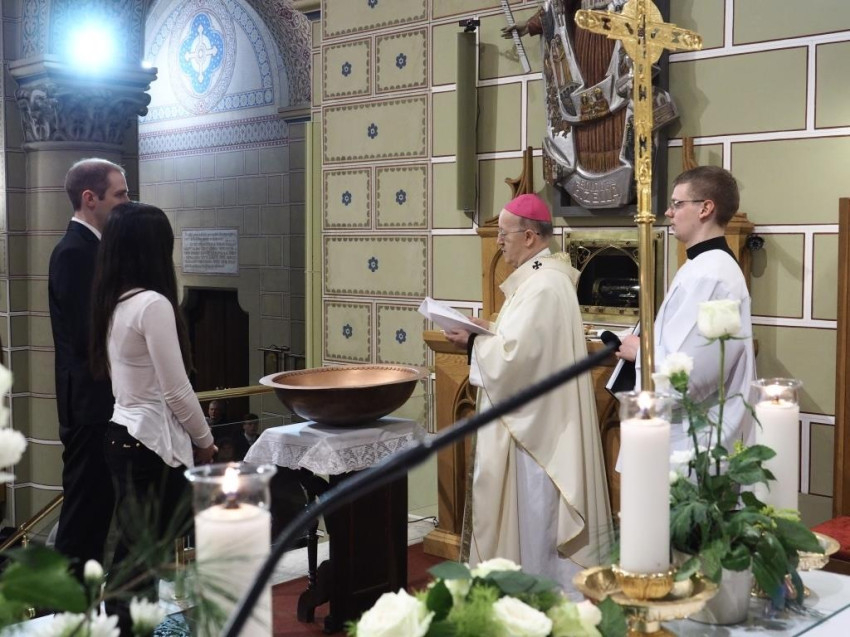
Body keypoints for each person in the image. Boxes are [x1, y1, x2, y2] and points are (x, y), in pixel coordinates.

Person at [444, 194, 612, 591]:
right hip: (534, 423)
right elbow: (522, 343)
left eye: (504, 234)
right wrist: (486, 330)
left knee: (535, 517)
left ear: (530, 236)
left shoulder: (544, 286)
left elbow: (516, 360)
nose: (499, 241)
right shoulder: (540, 279)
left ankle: (540, 594)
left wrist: (473, 342)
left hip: (535, 435)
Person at [89, 202, 217, 627]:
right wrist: (205, 441)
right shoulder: (152, 304)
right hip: (149, 443)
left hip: (121, 433)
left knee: (134, 556)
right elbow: (176, 390)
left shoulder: (113, 300)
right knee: (140, 560)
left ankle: (121, 625)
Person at [615, 166, 757, 451]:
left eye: (677, 204)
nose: (668, 212)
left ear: (705, 208)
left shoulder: (713, 276)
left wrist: (641, 353)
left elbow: (693, 378)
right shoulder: (700, 266)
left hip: (695, 442)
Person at [503, 1, 678, 209]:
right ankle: (584, 166)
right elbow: (558, 4)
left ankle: (625, 164)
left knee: (620, 101)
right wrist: (530, 24)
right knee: (578, 103)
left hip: (614, 31)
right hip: (582, 37)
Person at [49, 158, 130, 575]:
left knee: (97, 515)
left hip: (98, 401)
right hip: (89, 404)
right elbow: (87, 335)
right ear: (90, 198)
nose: (127, 201)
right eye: (120, 194)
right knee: (83, 519)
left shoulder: (94, 249)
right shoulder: (74, 253)